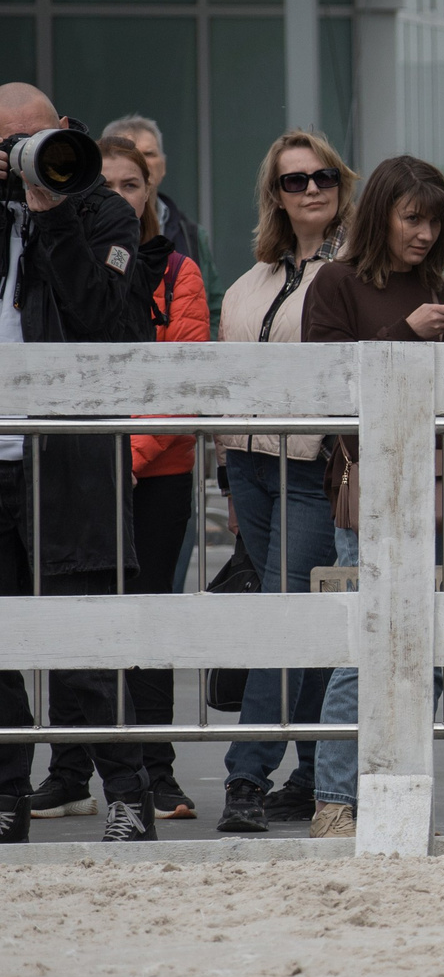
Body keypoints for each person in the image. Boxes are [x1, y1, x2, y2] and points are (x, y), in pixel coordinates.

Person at [301, 157, 444, 837]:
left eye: (436, 220)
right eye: (413, 218)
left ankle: (400, 793)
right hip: (370, 485)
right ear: (380, 216)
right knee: (366, 649)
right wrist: (409, 332)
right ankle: (336, 800)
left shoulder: (436, 286)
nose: (427, 233)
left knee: (429, 655)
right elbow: (328, 387)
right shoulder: (336, 282)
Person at [0, 84, 157, 843]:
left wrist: (50, 212)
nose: (25, 156)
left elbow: (108, 324)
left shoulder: (102, 210)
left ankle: (128, 794)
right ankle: (5, 794)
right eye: (9, 147)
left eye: (35, 139)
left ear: (63, 132)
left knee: (89, 639)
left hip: (67, 456)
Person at [211, 131, 352, 833]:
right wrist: (228, 475)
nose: (312, 188)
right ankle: (306, 772)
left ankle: (246, 772)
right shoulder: (253, 278)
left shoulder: (357, 267)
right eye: (295, 180)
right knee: (301, 619)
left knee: (285, 615)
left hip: (312, 468)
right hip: (248, 464)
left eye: (323, 175)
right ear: (277, 194)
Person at [101, 134, 210, 821]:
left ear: (152, 193)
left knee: (148, 618)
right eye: (105, 184)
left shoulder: (180, 272)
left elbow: (184, 380)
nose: (119, 197)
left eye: (131, 185)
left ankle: (157, 768)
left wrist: (126, 457)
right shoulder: (64, 264)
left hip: (157, 475)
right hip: (83, 475)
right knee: (76, 618)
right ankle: (71, 764)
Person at [99, 112, 208, 291]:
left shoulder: (191, 234)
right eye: (129, 152)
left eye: (148, 154)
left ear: (163, 165)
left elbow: (211, 305)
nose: (141, 161)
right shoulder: (80, 238)